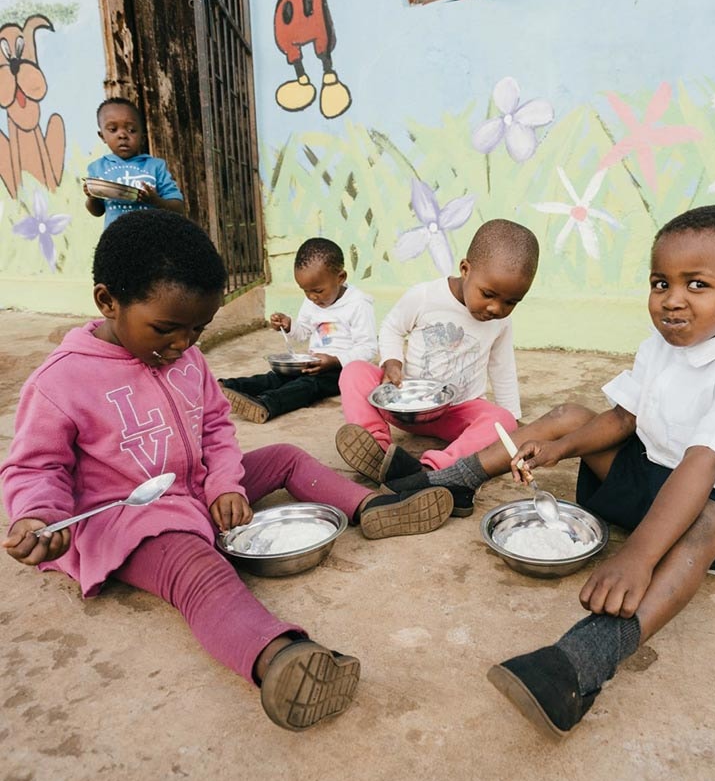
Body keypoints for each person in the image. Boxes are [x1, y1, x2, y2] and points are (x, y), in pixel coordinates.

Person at [0, 210, 452, 731]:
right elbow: (35, 466)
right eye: (166, 329)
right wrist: (38, 516)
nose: (183, 344)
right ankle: (278, 658)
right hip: (128, 519)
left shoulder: (187, 358)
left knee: (285, 456)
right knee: (198, 568)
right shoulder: (61, 381)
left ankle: (374, 507)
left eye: (198, 329)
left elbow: (214, 425)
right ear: (108, 301)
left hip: (194, 486)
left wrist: (223, 485)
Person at [386, 205, 715, 735]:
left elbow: (702, 464)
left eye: (696, 284)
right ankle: (454, 482)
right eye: (660, 283)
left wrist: (638, 557)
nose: (672, 299)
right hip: (656, 483)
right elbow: (623, 419)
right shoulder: (662, 346)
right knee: (570, 416)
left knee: (706, 519)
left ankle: (585, 659)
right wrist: (560, 447)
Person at [335, 218, 539, 518]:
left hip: (456, 413)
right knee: (354, 371)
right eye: (488, 294)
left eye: (511, 302)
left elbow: (503, 367)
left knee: (502, 420)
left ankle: (432, 469)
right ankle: (376, 449)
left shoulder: (501, 322)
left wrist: (512, 423)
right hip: (403, 403)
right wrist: (392, 361)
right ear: (465, 269)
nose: (496, 308)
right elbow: (392, 327)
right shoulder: (425, 296)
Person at [219, 237, 377, 423]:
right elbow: (303, 332)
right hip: (313, 364)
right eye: (305, 291)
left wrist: (334, 361)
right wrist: (289, 325)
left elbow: (368, 348)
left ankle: (266, 405)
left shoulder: (358, 304)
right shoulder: (312, 300)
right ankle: (225, 388)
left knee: (307, 386)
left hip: (341, 371)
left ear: (340, 278)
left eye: (318, 291)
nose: (312, 297)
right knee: (275, 378)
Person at [84, 97, 185, 228]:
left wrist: (156, 201)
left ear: (142, 137)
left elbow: (178, 207)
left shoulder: (156, 166)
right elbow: (97, 212)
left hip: (153, 236)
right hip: (116, 237)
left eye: (131, 130)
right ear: (102, 136)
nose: (122, 135)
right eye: (113, 129)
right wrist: (91, 196)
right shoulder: (98, 168)